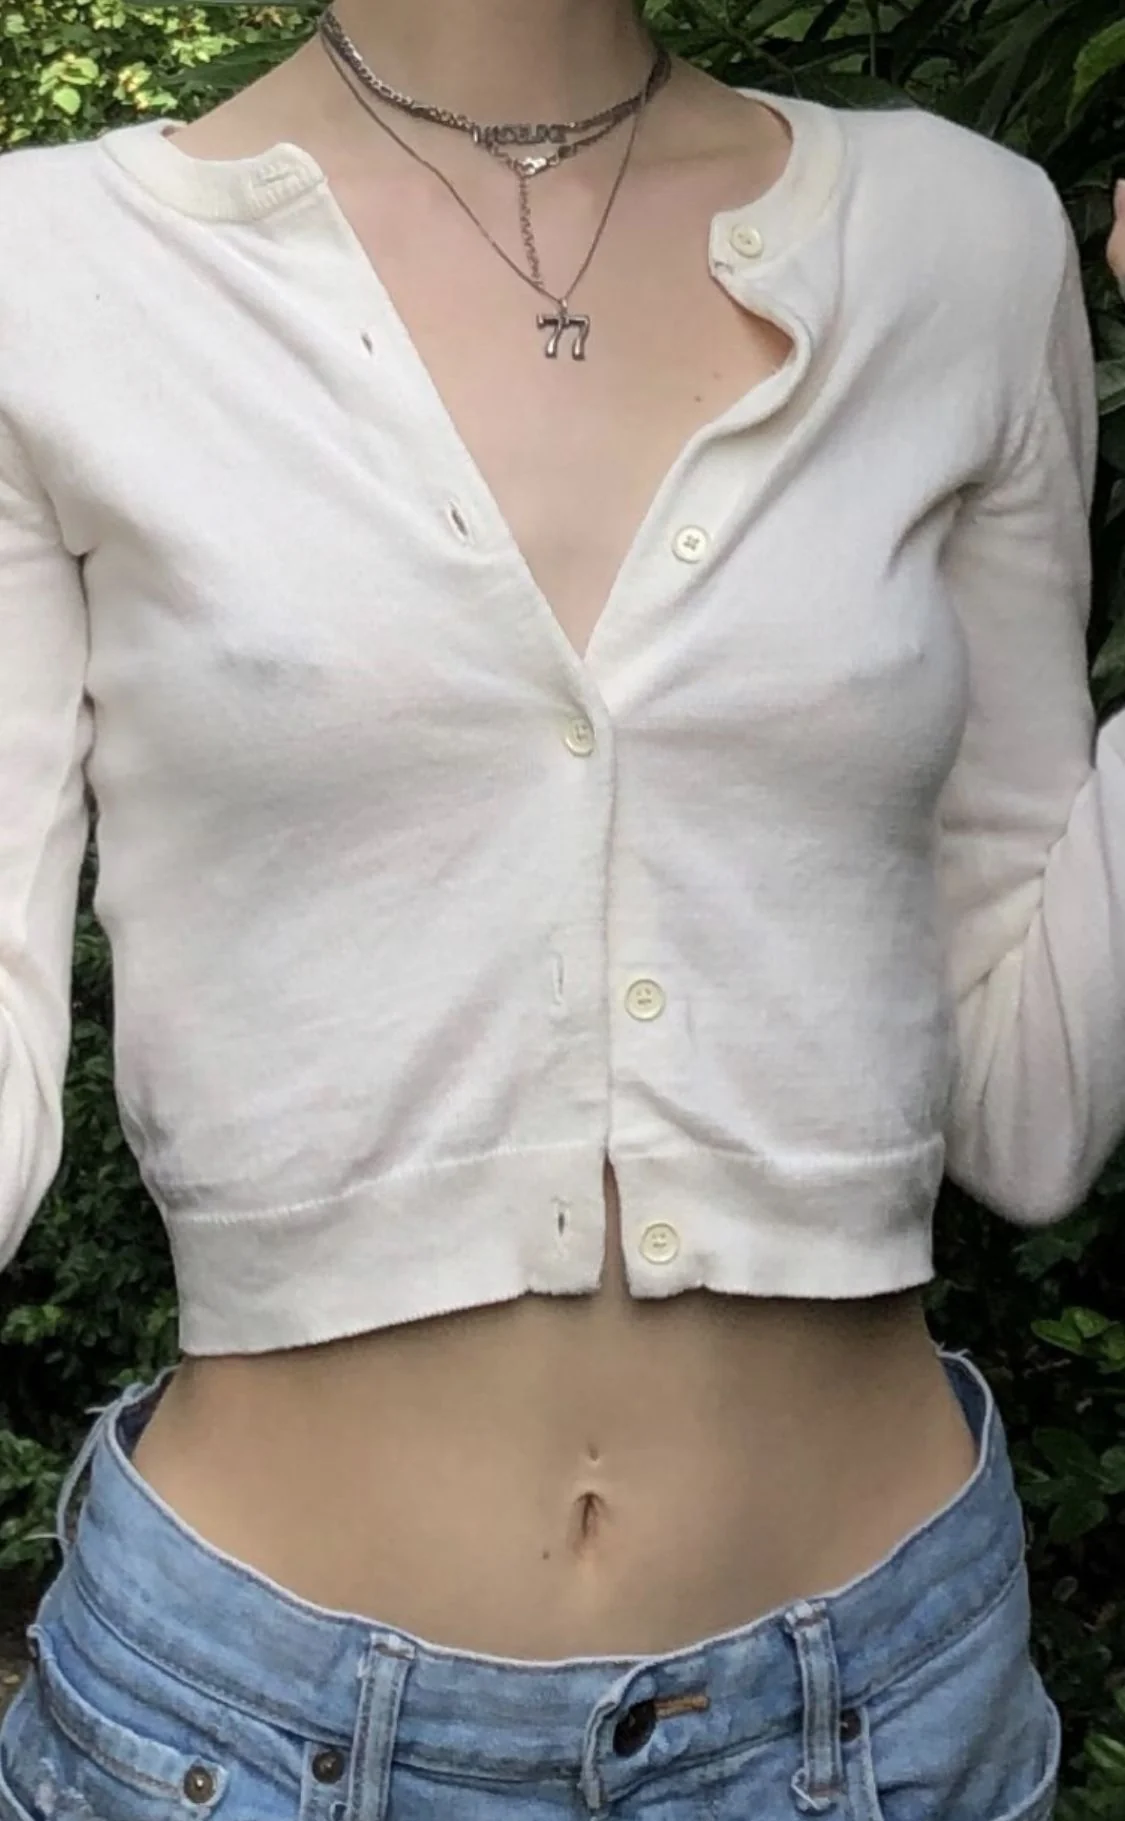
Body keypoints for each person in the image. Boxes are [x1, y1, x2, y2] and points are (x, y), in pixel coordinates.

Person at [1, 1, 1123, 1814]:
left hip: (890, 1721)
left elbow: (1035, 1111)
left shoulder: (965, 242)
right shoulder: (45, 273)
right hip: (238, 1741)